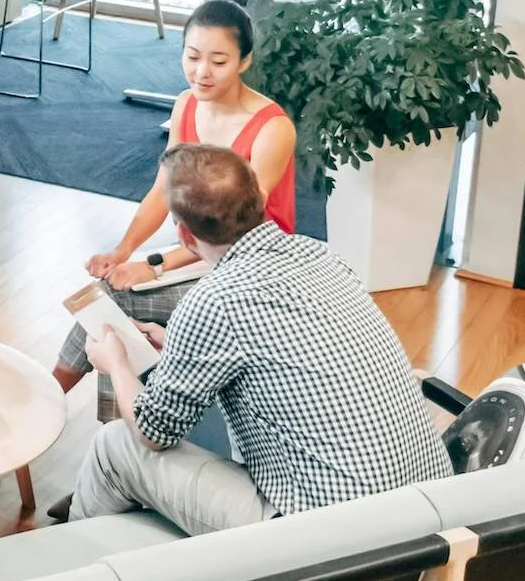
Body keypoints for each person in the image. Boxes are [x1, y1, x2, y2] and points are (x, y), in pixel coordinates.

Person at [69, 144, 452, 534]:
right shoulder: (321, 256)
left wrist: (115, 363)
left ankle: (76, 578)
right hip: (428, 513)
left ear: (185, 237)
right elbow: (285, 353)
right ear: (260, 201)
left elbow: (153, 433)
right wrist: (177, 345)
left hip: (330, 538)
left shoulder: (214, 300)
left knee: (114, 447)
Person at [54, 0, 297, 418]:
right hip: (202, 257)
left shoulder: (272, 128)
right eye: (193, 56)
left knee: (116, 298)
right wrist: (122, 251)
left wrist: (153, 267)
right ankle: (81, 417)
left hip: (248, 271)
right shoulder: (186, 103)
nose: (202, 72)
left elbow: (232, 231)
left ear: (244, 62)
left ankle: (59, 406)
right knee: (113, 288)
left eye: (219, 61)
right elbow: (161, 192)